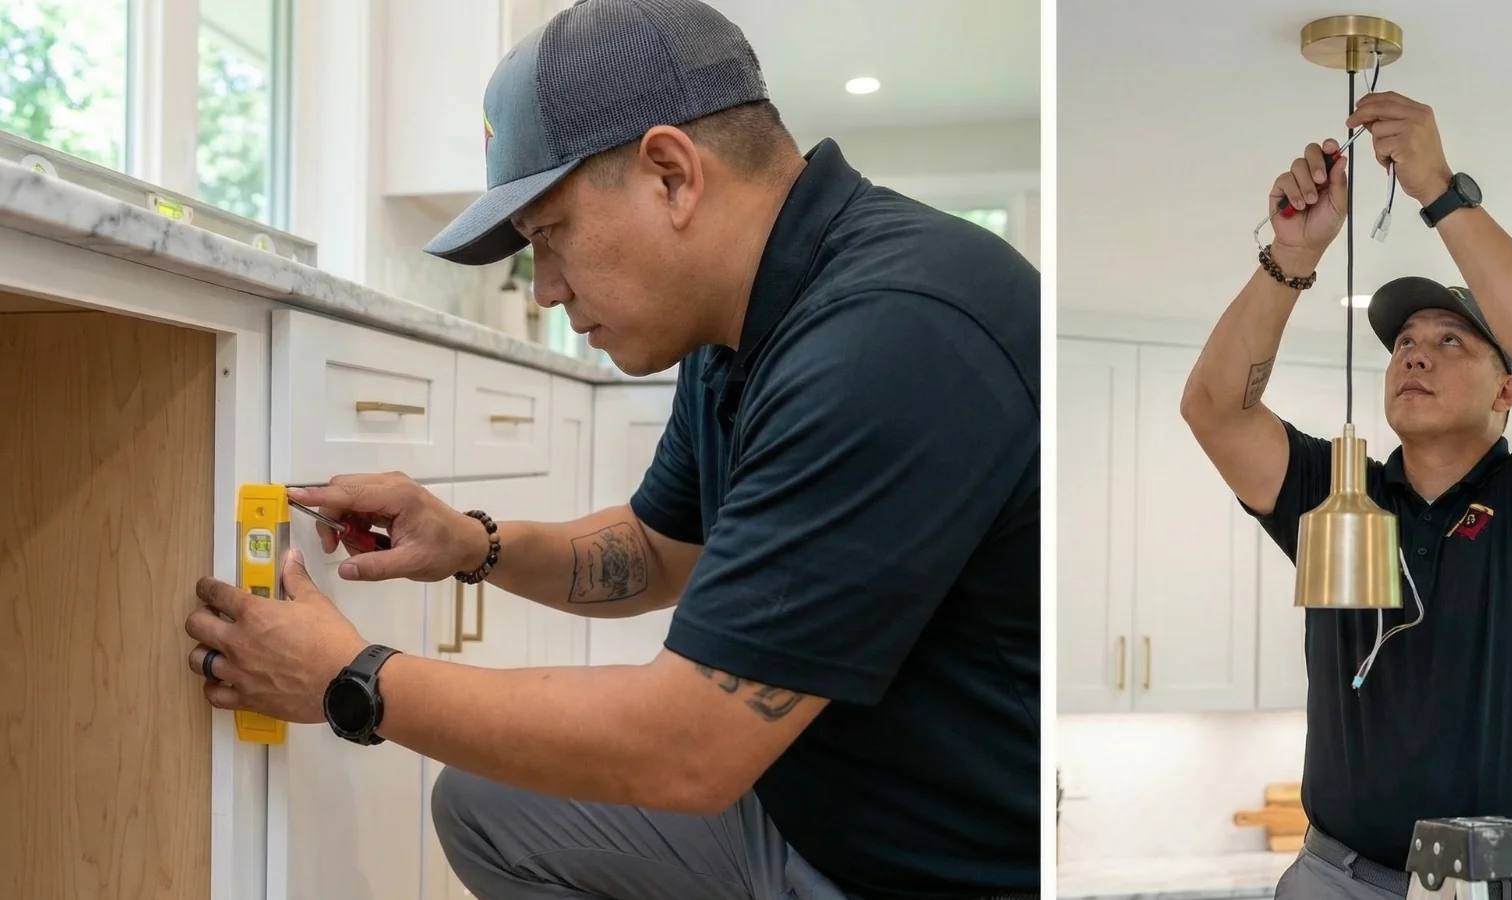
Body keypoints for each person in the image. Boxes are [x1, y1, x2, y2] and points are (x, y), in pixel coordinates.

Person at [182, 1, 1042, 898]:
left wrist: (347, 678)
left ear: (670, 174)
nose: (545, 288)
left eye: (548, 235)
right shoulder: (738, 326)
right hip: (809, 802)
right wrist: (469, 543)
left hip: (926, 868)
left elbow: (689, 748)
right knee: (487, 808)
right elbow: (658, 549)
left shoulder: (890, 337)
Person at [1180, 90, 1512, 900]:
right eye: (1405, 341)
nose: (1415, 354)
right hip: (1339, 880)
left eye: (1451, 341)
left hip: (1511, 888)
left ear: (1506, 391)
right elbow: (1214, 410)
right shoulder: (1340, 499)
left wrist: (1439, 190)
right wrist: (1291, 255)